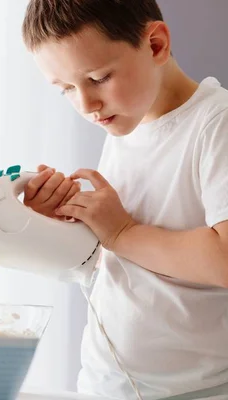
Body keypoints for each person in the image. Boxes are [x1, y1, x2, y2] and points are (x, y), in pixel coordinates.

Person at [20, 1, 228, 399]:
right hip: (105, 384)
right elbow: (120, 265)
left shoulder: (215, 126)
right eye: (66, 89)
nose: (85, 105)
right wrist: (73, 223)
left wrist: (121, 231)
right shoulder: (125, 129)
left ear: (154, 45)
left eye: (98, 77)